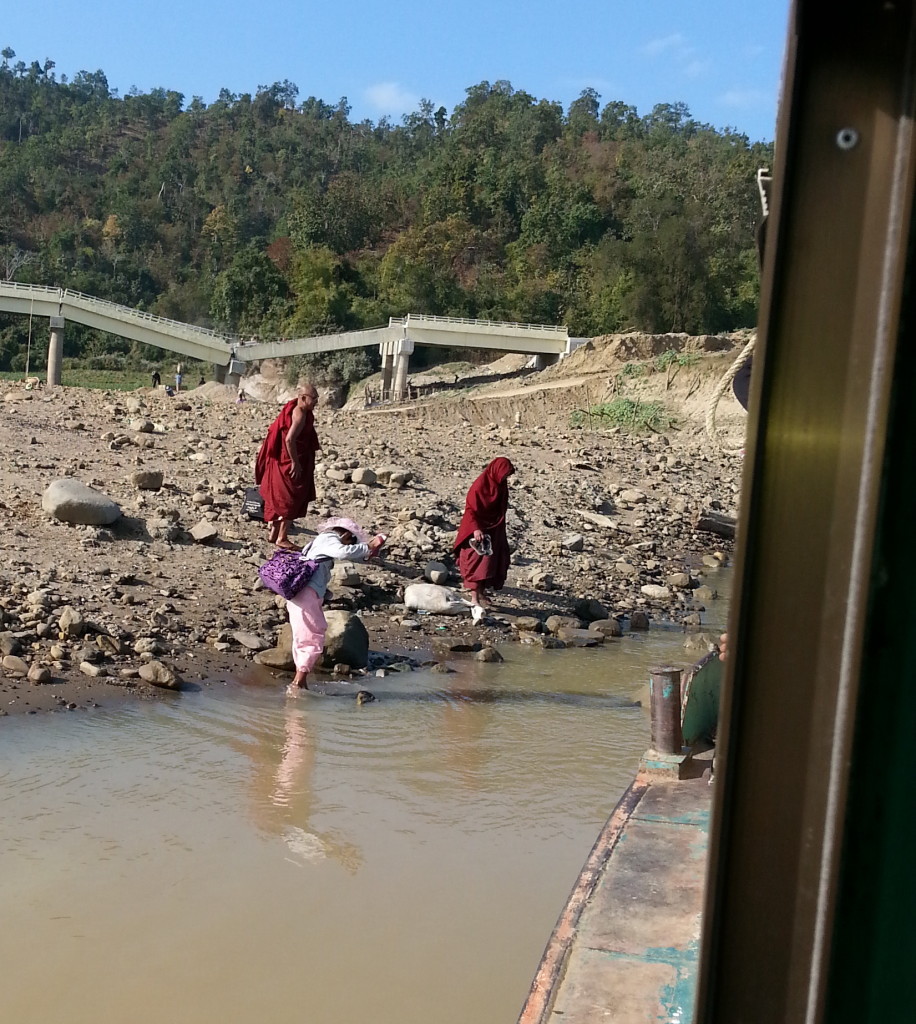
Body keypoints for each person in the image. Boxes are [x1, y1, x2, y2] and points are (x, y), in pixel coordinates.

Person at [286, 518, 385, 694]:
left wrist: (366, 553)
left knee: (308, 633)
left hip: (303, 592)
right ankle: (297, 684)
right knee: (312, 635)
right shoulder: (329, 539)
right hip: (306, 593)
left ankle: (300, 680)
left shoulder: (319, 541)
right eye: (351, 541)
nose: (351, 545)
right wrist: (367, 547)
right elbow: (341, 552)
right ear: (346, 534)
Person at [255, 382, 321, 550]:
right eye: (314, 399)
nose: (316, 403)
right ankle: (282, 538)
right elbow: (289, 439)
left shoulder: (296, 409)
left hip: (282, 460)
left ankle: (273, 533)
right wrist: (295, 462)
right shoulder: (299, 414)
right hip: (289, 461)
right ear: (303, 398)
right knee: (291, 498)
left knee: (279, 495)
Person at [453, 457, 516, 609]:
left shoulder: (500, 485)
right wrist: (476, 529)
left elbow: (500, 508)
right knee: (477, 563)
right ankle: (474, 598)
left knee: (492, 562)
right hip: (475, 530)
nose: (505, 478)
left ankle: (481, 592)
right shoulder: (480, 486)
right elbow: (471, 510)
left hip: (494, 529)